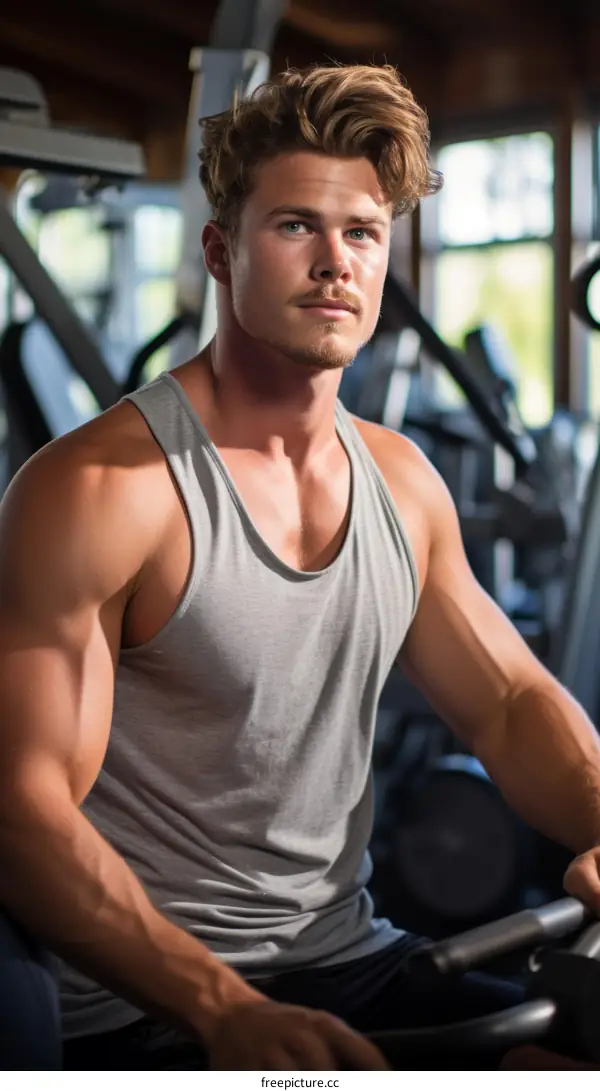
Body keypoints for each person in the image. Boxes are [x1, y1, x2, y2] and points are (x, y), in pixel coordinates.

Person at [0, 62, 600, 1073]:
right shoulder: (103, 487)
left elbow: (506, 700)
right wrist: (220, 1007)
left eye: (362, 232)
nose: (336, 262)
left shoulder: (402, 485)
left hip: (349, 956)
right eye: (295, 227)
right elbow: (22, 810)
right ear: (222, 250)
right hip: (149, 1000)